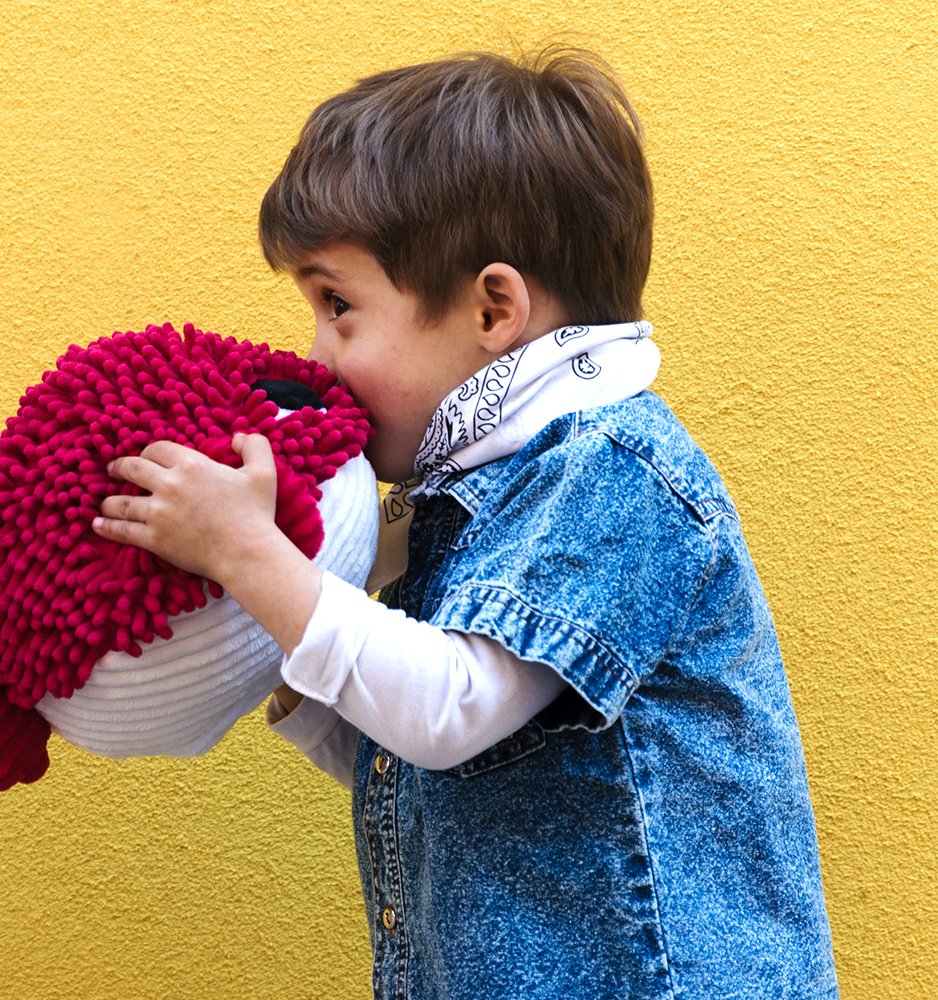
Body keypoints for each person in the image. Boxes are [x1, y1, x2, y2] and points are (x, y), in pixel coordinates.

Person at [92, 46, 839, 999]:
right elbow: (424, 764)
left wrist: (251, 556)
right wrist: (288, 671)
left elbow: (449, 713)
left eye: (338, 306)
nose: (315, 354)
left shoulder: (607, 469)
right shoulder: (467, 497)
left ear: (494, 308)